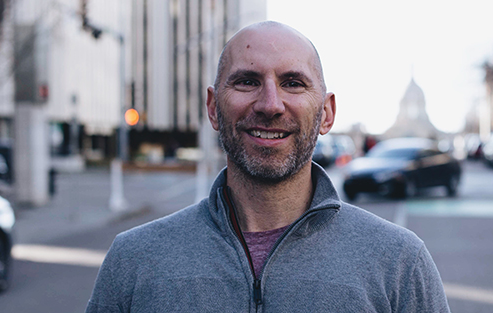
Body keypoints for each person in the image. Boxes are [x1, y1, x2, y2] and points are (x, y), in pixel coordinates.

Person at [86, 21, 450, 312]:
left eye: (293, 83)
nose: (270, 104)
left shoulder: (401, 263)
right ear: (213, 107)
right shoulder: (134, 260)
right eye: (247, 81)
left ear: (327, 113)